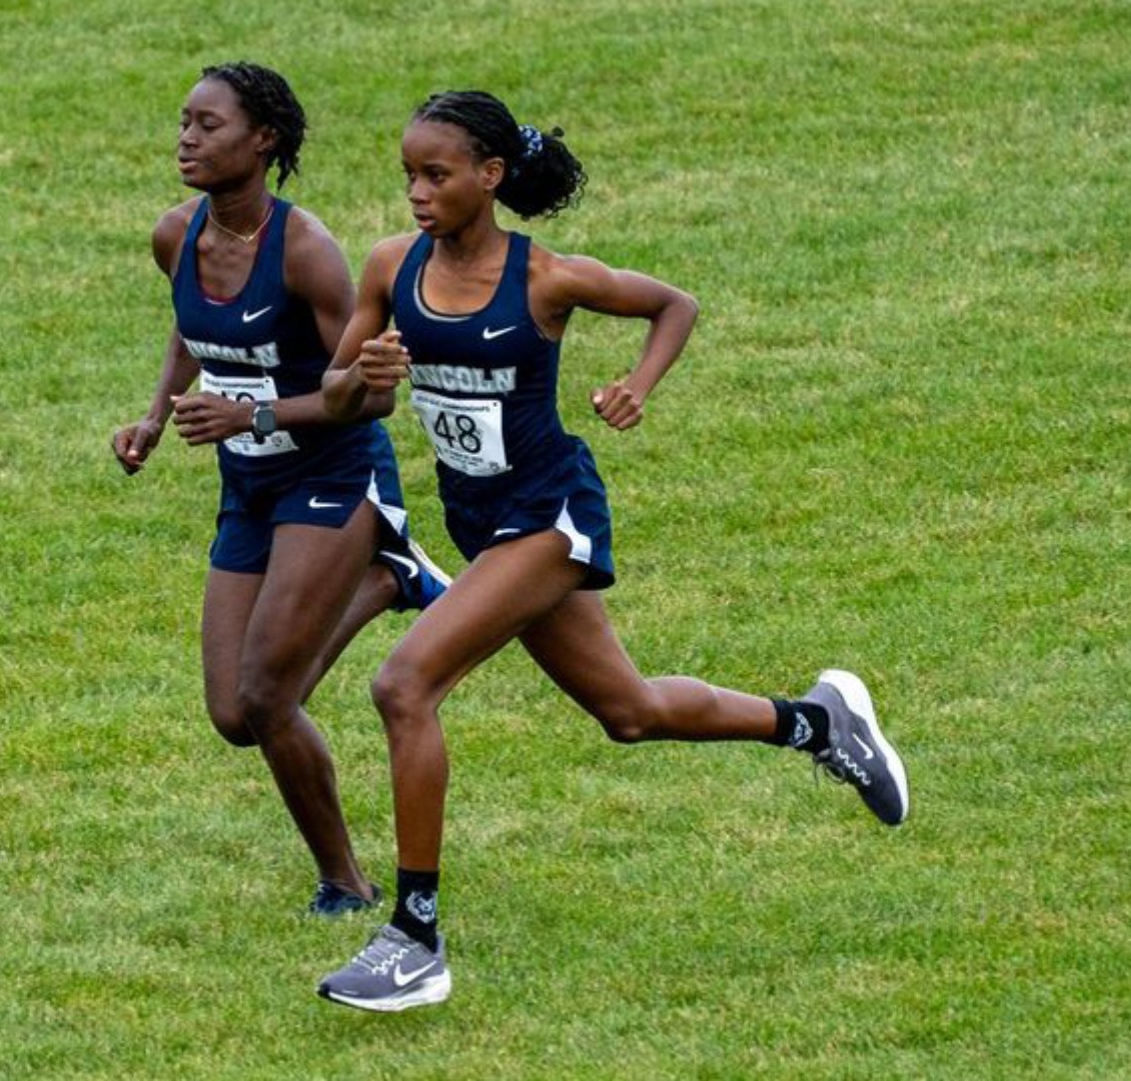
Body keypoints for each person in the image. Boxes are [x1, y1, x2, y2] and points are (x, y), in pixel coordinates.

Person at [312, 90, 910, 1011]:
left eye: (436, 175)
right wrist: (366, 378)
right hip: (480, 523)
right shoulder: (391, 268)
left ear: (491, 177)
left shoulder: (546, 278)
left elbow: (674, 303)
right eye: (408, 176)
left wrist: (637, 383)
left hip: (550, 517)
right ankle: (820, 722)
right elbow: (343, 393)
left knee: (403, 685)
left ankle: (415, 937)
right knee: (627, 711)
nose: (416, 193)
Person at [109, 62, 449, 918]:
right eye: (183, 121)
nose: (187, 138)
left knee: (268, 696)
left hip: (332, 475)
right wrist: (154, 417)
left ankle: (345, 880)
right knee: (234, 711)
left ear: (263, 141)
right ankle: (386, 579)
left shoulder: (306, 251)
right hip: (250, 486)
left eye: (208, 125)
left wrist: (250, 416)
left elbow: (370, 393)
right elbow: (194, 327)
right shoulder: (174, 234)